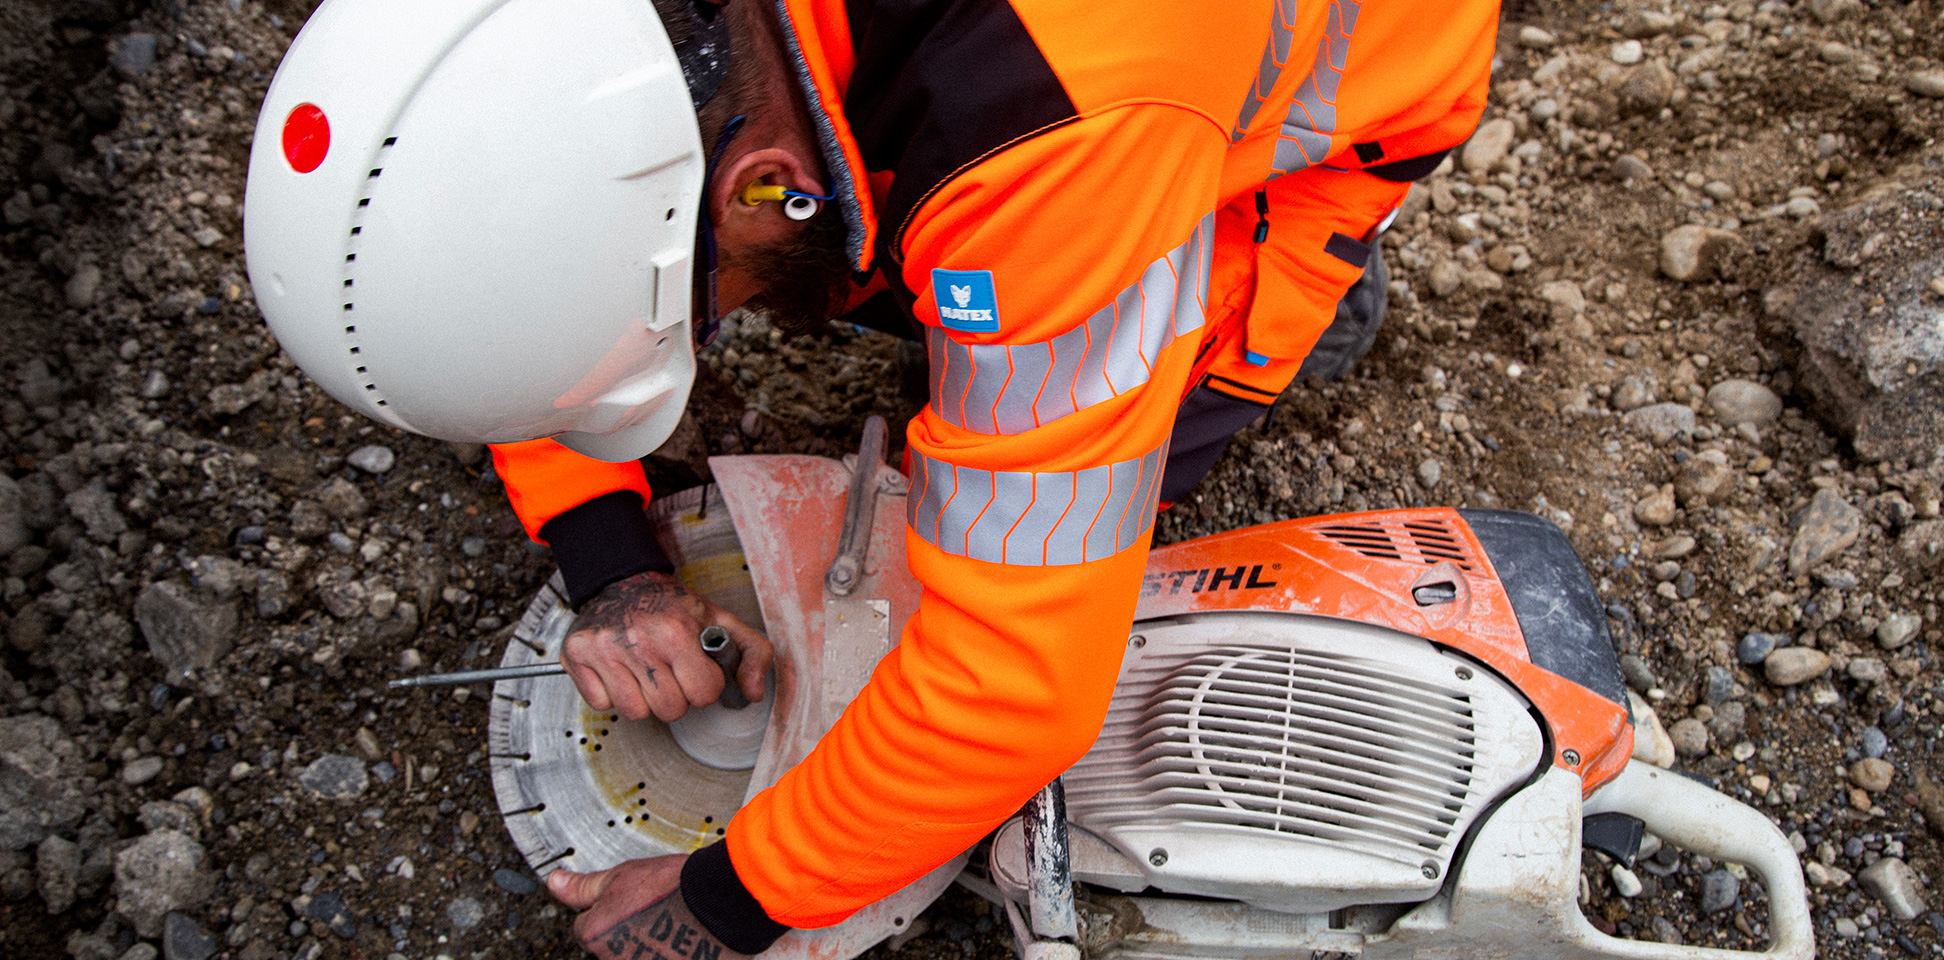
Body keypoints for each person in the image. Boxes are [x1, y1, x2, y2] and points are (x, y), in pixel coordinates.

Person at [244, 0, 1499, 956]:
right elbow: (534, 288)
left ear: (748, 186)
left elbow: (1015, 688)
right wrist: (609, 563)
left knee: (1145, 459)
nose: (704, 338)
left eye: (691, 321)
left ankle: (1265, 230)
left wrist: (722, 902)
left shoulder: (1042, 146)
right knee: (865, 270)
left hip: (1320, 68)